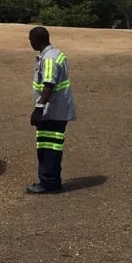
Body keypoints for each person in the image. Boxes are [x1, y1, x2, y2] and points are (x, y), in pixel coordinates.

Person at [27, 26, 76, 194]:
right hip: (57, 110)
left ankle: (48, 183)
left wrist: (38, 109)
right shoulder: (55, 54)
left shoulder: (49, 59)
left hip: (52, 112)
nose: (30, 42)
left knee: (48, 148)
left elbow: (49, 85)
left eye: (30, 39)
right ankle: (52, 181)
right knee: (52, 147)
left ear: (37, 40)